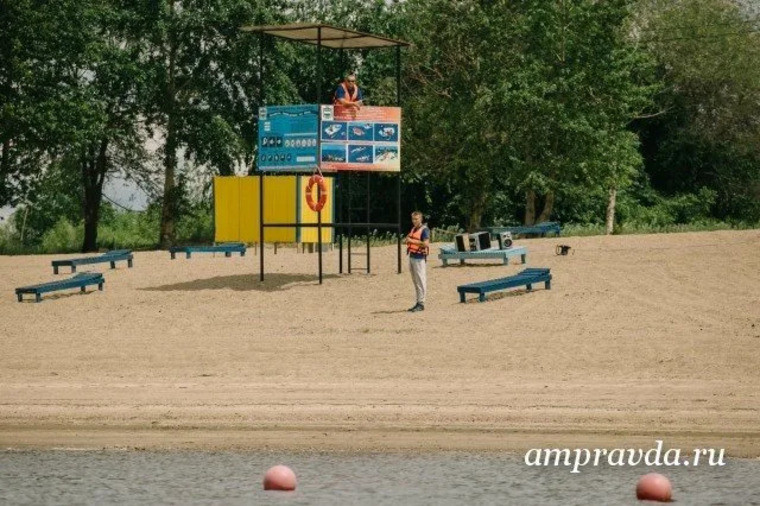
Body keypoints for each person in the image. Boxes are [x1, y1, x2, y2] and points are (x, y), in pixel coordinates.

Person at [404, 211, 430, 312]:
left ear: (421, 219)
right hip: (412, 256)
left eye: (416, 219)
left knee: (420, 281)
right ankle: (418, 302)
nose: (414, 221)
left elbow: (426, 244)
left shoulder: (425, 230)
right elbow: (409, 238)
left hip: (419, 258)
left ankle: (421, 304)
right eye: (413, 219)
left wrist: (412, 241)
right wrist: (407, 239)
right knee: (415, 281)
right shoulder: (413, 229)